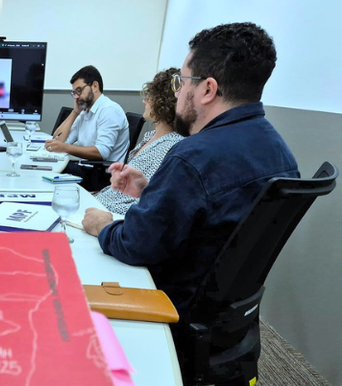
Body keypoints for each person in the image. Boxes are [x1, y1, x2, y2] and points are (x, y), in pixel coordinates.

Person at [81, 22, 299, 328]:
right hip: (224, 315)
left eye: (181, 83)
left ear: (207, 89)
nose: (179, 92)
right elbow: (214, 217)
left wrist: (103, 225)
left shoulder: (192, 156)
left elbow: (135, 245)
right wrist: (152, 192)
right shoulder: (280, 152)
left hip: (171, 305)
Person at [94, 68, 184, 215]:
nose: (144, 101)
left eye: (149, 97)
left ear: (162, 103)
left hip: (112, 212)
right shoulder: (150, 136)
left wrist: (98, 208)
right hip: (105, 200)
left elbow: (142, 203)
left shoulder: (171, 145)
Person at [44, 65, 130, 165]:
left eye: (79, 91)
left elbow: (102, 152)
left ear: (95, 86)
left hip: (101, 174)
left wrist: (65, 148)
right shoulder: (84, 112)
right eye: (74, 93)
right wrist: (75, 113)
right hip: (86, 168)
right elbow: (58, 141)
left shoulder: (109, 110)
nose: (76, 97)